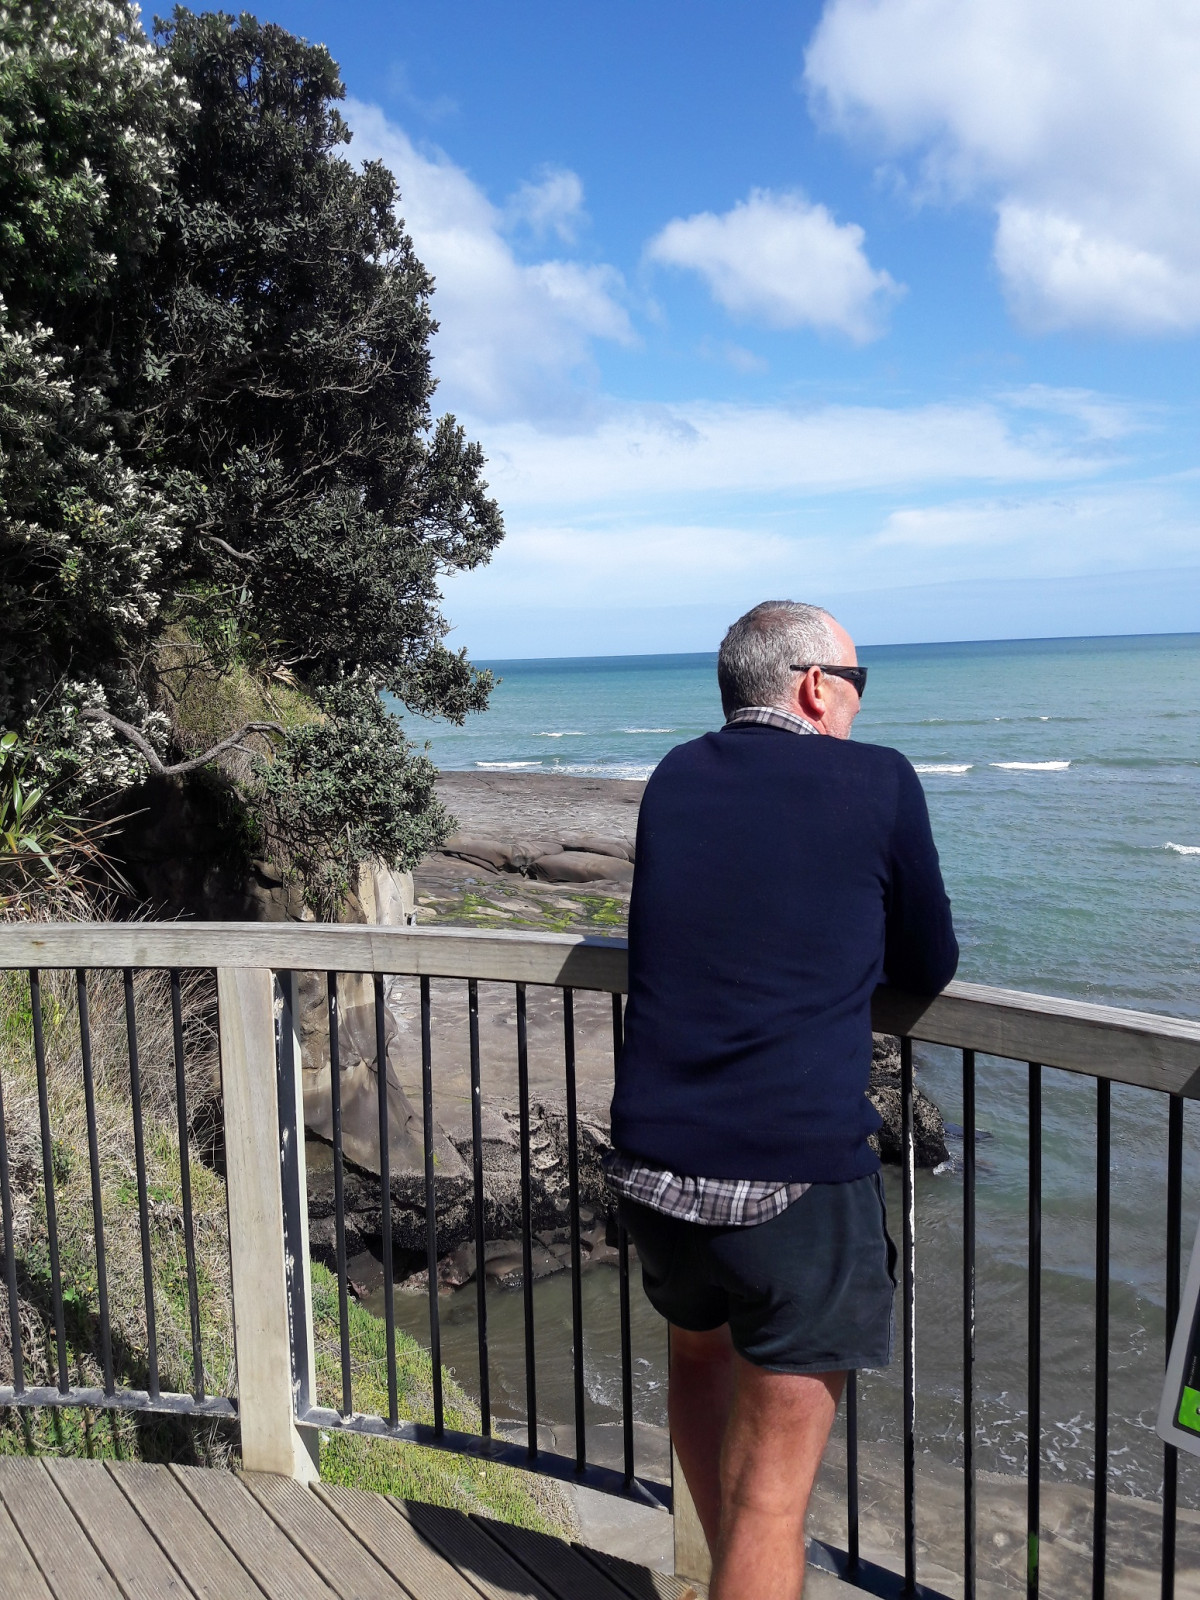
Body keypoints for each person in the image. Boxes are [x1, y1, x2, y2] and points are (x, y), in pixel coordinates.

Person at [607, 600, 958, 1599]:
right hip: (790, 1178)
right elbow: (927, 960)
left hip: (654, 1167)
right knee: (774, 1507)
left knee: (699, 1357)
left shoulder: (675, 775)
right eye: (857, 684)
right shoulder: (878, 779)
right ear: (813, 685)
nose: (857, 705)